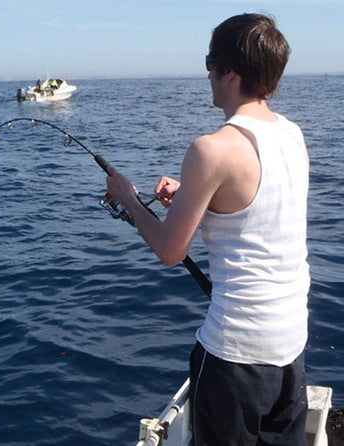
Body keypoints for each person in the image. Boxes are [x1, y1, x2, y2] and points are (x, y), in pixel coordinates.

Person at [106, 13, 310, 446]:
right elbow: (258, 207)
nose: (209, 77)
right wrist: (191, 195)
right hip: (291, 349)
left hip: (236, 358)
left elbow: (170, 251)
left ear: (228, 72)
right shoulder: (293, 135)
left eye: (209, 65)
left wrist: (127, 197)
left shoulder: (212, 149)